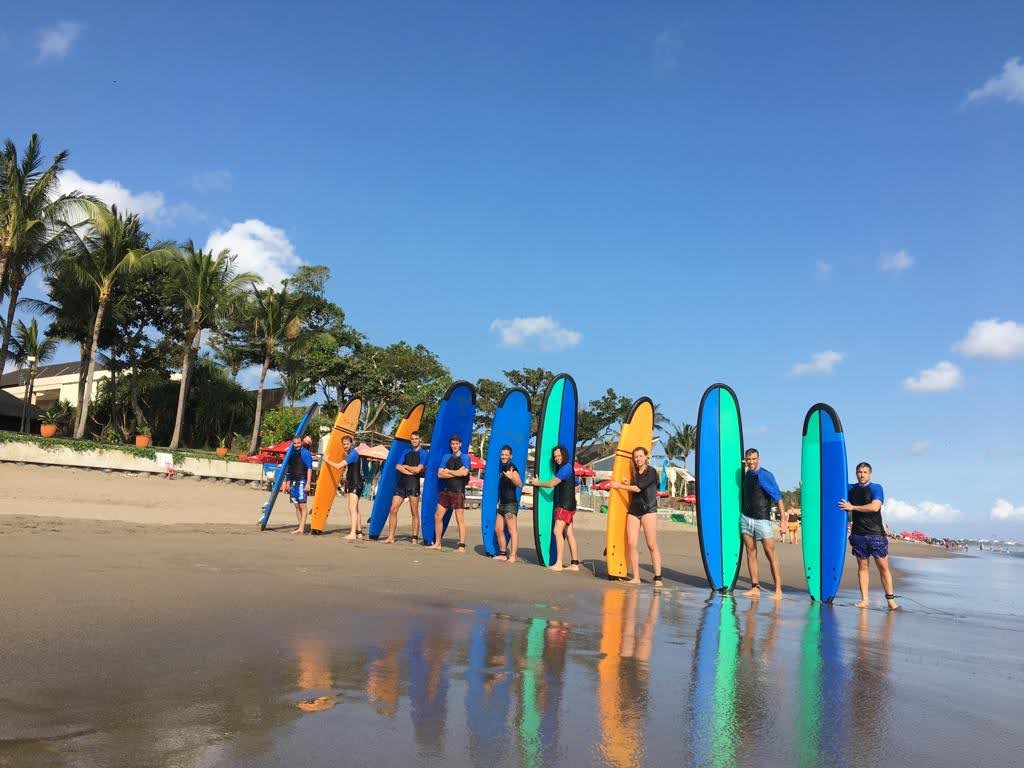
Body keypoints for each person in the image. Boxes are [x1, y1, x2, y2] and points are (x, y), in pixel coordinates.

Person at [840, 462, 899, 610]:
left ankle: (890, 600)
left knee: (883, 567)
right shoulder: (850, 488)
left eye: (865, 472)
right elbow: (830, 485)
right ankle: (864, 599)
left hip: (876, 534)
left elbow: (875, 506)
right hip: (858, 534)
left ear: (870, 473)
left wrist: (852, 507)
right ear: (856, 473)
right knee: (862, 567)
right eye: (859, 472)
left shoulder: (876, 488)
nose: (862, 474)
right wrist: (809, 484)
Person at [609, 447, 663, 588]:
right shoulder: (635, 473)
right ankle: (636, 577)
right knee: (632, 544)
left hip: (648, 510)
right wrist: (628, 484)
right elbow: (635, 487)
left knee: (651, 544)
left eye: (640, 456)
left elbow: (639, 488)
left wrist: (619, 486)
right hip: (634, 510)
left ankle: (658, 577)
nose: (638, 459)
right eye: (636, 457)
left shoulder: (651, 471)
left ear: (646, 457)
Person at [740, 448, 786, 599]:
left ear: (758, 459)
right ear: (746, 460)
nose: (751, 461)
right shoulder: (746, 473)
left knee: (770, 554)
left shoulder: (765, 475)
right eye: (749, 459)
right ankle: (755, 587)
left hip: (763, 520)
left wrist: (783, 521)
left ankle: (778, 590)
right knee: (750, 553)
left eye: (754, 459)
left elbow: (778, 498)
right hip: (746, 519)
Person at [529, 445, 580, 572]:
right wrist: (570, 494)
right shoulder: (568, 468)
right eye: (555, 456)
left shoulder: (565, 468)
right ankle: (574, 564)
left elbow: (552, 483)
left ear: (564, 455)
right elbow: (577, 484)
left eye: (559, 455)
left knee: (557, 531)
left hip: (564, 506)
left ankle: (559, 563)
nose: (557, 458)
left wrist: (538, 483)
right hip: (569, 505)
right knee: (569, 533)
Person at [429, 435, 470, 552]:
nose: (454, 446)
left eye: (456, 444)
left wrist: (449, 471)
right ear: (450, 445)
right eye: (452, 444)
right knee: (437, 516)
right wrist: (456, 472)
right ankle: (437, 543)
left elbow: (464, 473)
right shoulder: (446, 457)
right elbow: (440, 474)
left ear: (460, 444)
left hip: (458, 492)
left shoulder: (465, 458)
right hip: (446, 491)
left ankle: (461, 546)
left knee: (459, 519)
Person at [385, 431, 425, 544]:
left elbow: (418, 470)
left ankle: (414, 538)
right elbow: (397, 466)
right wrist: (409, 472)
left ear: (419, 440)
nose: (414, 441)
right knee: (393, 509)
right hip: (402, 483)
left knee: (414, 512)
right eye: (412, 439)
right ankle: (391, 537)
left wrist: (406, 466)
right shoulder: (405, 451)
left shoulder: (423, 453)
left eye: (416, 439)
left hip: (413, 484)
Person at [323, 435, 363, 539]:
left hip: (355, 483)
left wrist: (326, 460)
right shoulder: (352, 453)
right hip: (356, 483)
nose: (345, 446)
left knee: (352, 508)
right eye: (344, 444)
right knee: (356, 509)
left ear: (351, 443)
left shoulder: (352, 454)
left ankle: (353, 534)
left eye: (347, 444)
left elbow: (338, 466)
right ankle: (359, 533)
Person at [493, 445, 523, 562]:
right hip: (502, 504)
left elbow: (520, 484)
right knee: (498, 529)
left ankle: (513, 556)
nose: (503, 457)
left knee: (512, 530)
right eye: (502, 455)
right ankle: (502, 553)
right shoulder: (503, 468)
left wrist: (512, 478)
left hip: (510, 504)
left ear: (511, 456)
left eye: (506, 455)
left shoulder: (512, 468)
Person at [282, 434, 313, 534]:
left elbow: (309, 468)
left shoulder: (305, 453)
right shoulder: (291, 453)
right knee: (296, 505)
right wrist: (287, 482)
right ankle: (300, 526)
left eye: (298, 443)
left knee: (302, 505)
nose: (297, 445)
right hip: (293, 482)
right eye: (295, 443)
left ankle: (302, 528)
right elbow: (289, 469)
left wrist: (308, 483)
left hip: (302, 481)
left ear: (302, 442)